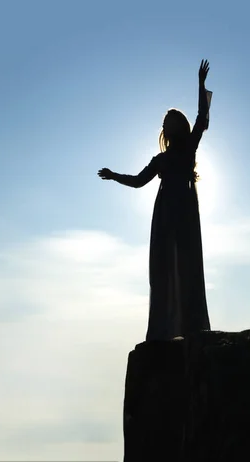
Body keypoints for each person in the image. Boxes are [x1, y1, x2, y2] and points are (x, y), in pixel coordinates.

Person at [98, 59, 213, 341]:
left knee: (187, 266)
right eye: (164, 122)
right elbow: (139, 181)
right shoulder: (160, 159)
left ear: (177, 126)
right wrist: (114, 176)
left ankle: (191, 325)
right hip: (164, 215)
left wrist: (200, 85)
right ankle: (163, 328)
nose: (165, 123)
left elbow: (202, 118)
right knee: (164, 268)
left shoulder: (188, 147)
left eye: (169, 120)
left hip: (183, 210)